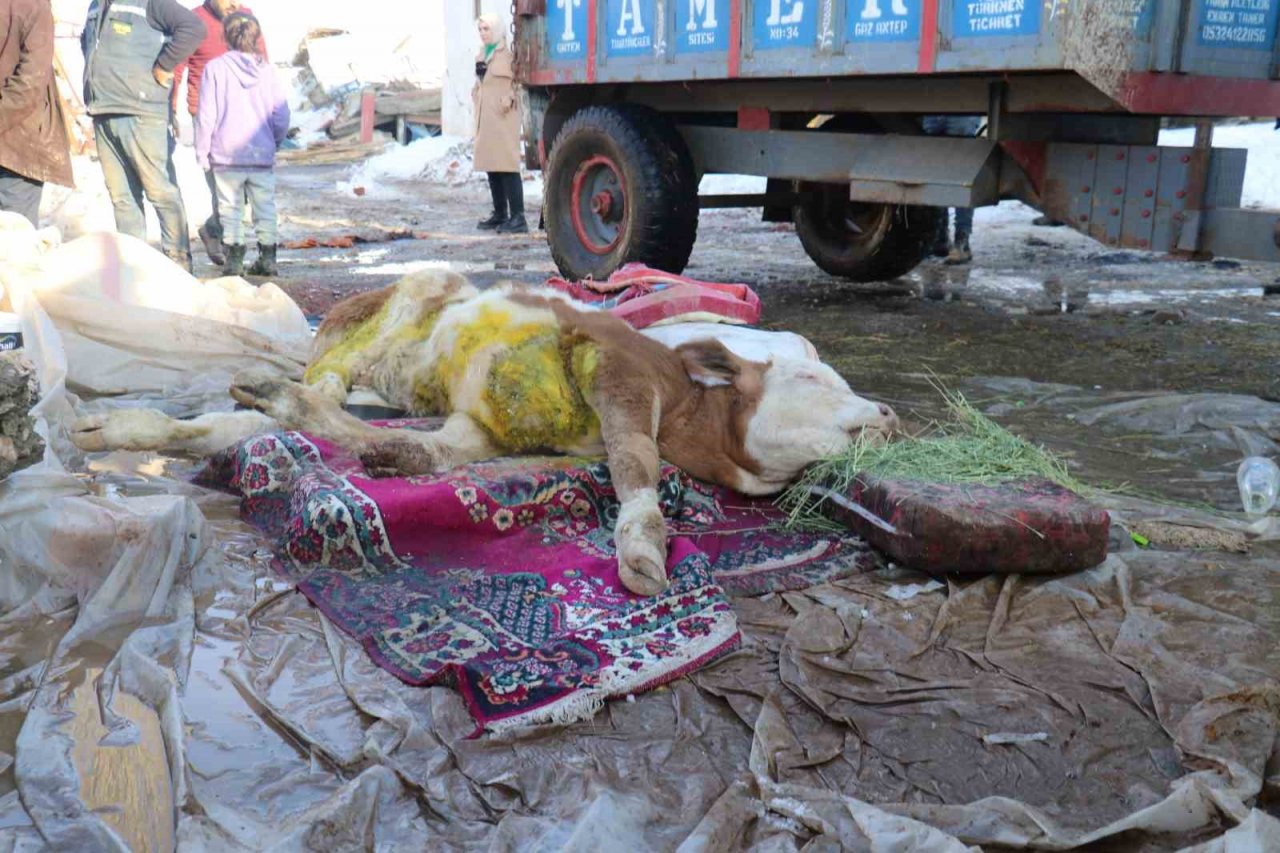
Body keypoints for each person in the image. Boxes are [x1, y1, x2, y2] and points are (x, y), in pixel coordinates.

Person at [81, 0, 205, 271]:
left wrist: (164, 65)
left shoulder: (152, 3)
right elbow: (88, 44)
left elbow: (193, 27)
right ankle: (133, 270)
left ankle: (179, 265)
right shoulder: (95, 5)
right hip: (104, 110)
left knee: (160, 191)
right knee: (122, 198)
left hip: (141, 112)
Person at [172, 0, 267, 265]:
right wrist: (170, 109)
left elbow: (263, 64)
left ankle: (213, 229)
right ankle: (230, 253)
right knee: (223, 187)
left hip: (245, 117)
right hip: (209, 118)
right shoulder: (192, 21)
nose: (234, 3)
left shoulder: (247, 18)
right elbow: (176, 68)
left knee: (245, 188)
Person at [195, 11, 287, 277]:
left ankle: (234, 260)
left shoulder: (215, 69)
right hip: (260, 155)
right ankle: (268, 258)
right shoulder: (267, 71)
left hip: (226, 156)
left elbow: (206, 115)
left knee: (230, 208)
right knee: (265, 207)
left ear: (225, 36)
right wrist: (274, 141)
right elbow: (281, 114)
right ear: (256, 38)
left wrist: (202, 151)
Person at [1, 0, 74, 225]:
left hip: (15, 148)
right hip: (19, 142)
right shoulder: (33, 5)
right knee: (14, 246)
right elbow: (30, 84)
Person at [473, 13, 527, 234]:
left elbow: (518, 82)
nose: (483, 33)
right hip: (486, 118)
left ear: (496, 30)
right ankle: (500, 214)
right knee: (491, 165)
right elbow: (482, 82)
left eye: (487, 29)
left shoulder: (507, 55)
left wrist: (510, 99)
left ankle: (518, 217)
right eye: (481, 30)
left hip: (503, 116)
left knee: (507, 166)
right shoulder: (481, 54)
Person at [922, 114, 982, 265]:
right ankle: (945, 239)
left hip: (959, 109)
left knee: (960, 175)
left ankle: (960, 241)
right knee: (936, 173)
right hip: (937, 107)